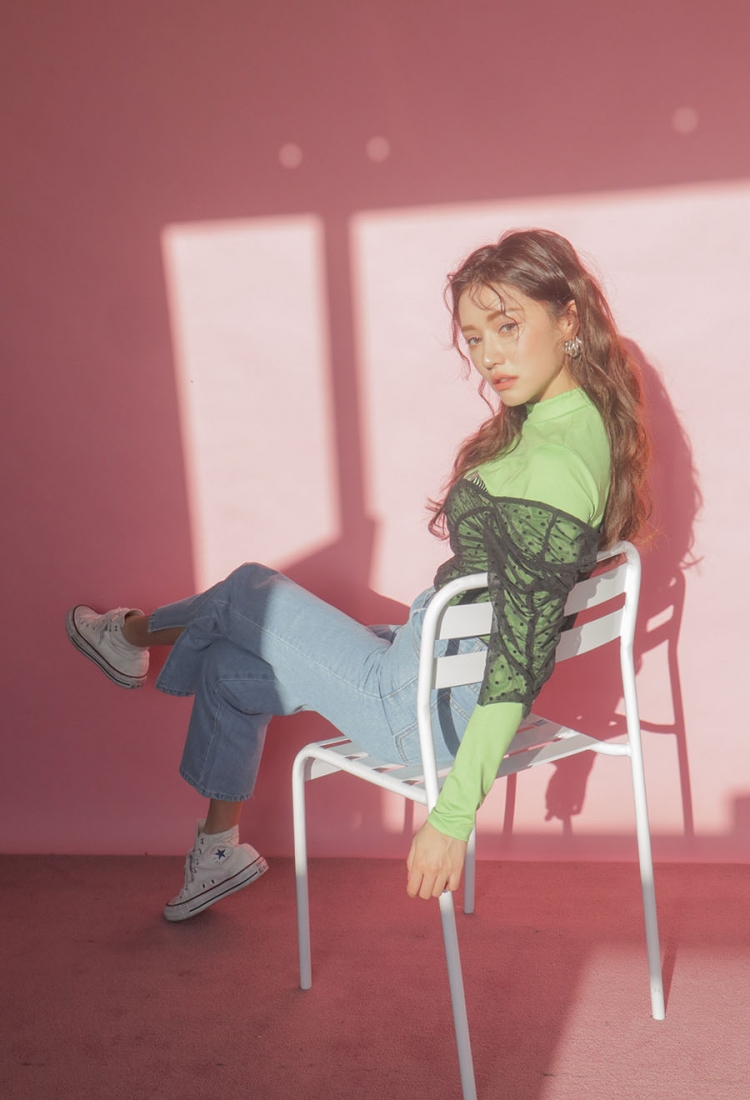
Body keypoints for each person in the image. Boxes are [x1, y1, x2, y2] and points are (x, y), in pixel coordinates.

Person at [66, 229, 650, 921]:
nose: (490, 355)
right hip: (430, 668)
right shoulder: (580, 422)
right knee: (228, 666)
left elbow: (518, 666)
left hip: (418, 708)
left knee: (250, 590)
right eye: (474, 338)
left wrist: (452, 817)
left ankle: (129, 636)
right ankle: (218, 850)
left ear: (568, 318)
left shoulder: (551, 467)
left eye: (508, 326)